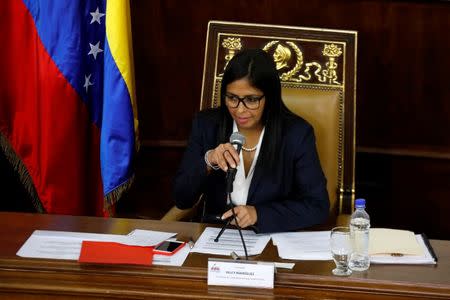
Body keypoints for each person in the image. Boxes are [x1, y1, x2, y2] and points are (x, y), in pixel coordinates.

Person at [173, 48, 329, 233]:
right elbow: (181, 199)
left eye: (251, 100)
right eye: (232, 98)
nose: (240, 110)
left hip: (272, 240)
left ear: (269, 97)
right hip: (215, 238)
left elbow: (317, 206)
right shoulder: (207, 125)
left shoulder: (296, 134)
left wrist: (259, 214)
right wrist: (208, 160)